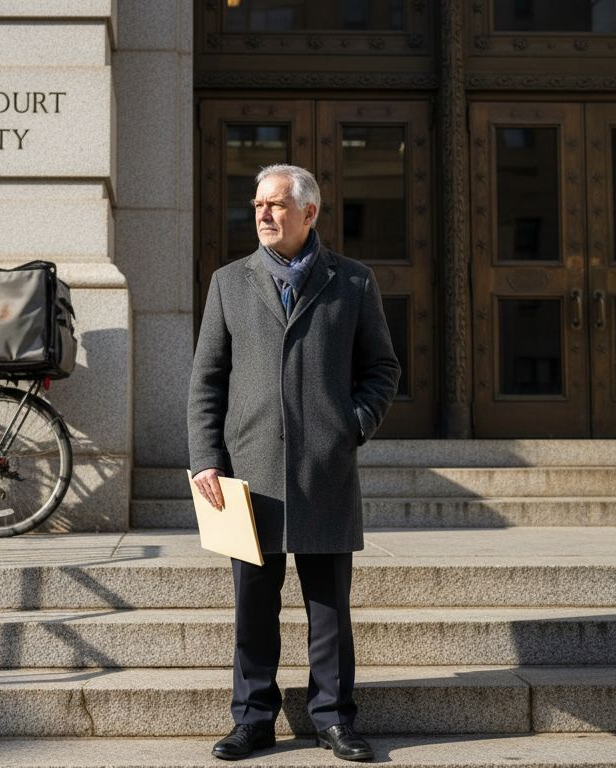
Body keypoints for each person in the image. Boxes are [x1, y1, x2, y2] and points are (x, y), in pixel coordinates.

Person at [187, 164, 401, 762]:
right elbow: (207, 379)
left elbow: (382, 368)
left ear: (310, 214)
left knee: (328, 609)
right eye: (258, 204)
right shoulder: (229, 282)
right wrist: (205, 457)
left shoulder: (352, 283)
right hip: (246, 473)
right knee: (252, 606)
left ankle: (333, 718)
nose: (262, 214)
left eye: (276, 205)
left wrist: (350, 426)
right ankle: (253, 719)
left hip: (324, 472)